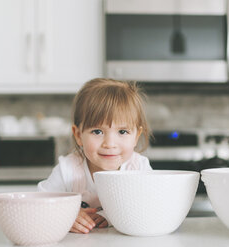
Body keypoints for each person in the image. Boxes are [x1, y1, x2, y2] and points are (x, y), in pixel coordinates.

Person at [38, 78, 152, 234]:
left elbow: (149, 207)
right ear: (78, 135)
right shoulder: (68, 170)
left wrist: (109, 216)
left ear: (136, 136)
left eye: (122, 132)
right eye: (97, 132)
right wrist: (64, 216)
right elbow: (38, 205)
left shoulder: (139, 168)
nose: (110, 144)